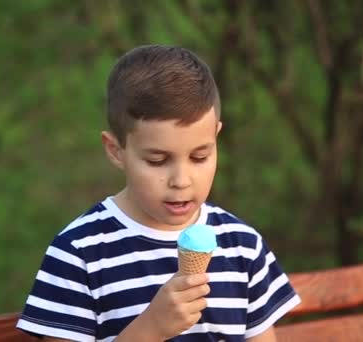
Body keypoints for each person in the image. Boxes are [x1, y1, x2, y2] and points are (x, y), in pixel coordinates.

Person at [16, 45, 301, 342]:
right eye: (157, 161)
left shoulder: (242, 247)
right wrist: (150, 329)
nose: (181, 180)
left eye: (200, 156)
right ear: (116, 151)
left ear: (216, 137)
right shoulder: (79, 253)